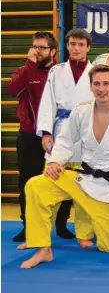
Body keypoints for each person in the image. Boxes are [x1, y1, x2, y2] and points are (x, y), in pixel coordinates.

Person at [20, 65, 109, 269]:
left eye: (106, 84)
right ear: (90, 86)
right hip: (83, 180)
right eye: (96, 84)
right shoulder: (81, 110)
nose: (101, 89)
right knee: (37, 185)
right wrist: (56, 161)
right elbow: (66, 141)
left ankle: (107, 226)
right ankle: (43, 249)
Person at [7, 31, 74, 242]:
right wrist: (30, 64)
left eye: (42, 47)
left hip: (58, 136)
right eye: (35, 46)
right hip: (29, 135)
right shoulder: (25, 71)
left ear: (53, 51)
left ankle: (62, 224)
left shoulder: (62, 72)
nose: (37, 51)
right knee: (27, 181)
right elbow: (13, 90)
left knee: (62, 179)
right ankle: (28, 226)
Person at [35, 28, 95, 248]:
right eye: (72, 44)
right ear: (67, 46)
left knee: (83, 186)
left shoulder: (96, 71)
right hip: (60, 130)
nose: (76, 48)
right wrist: (46, 132)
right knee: (48, 183)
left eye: (81, 44)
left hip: (86, 133)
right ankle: (39, 235)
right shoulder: (56, 71)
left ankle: (84, 233)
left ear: (88, 47)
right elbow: (48, 102)